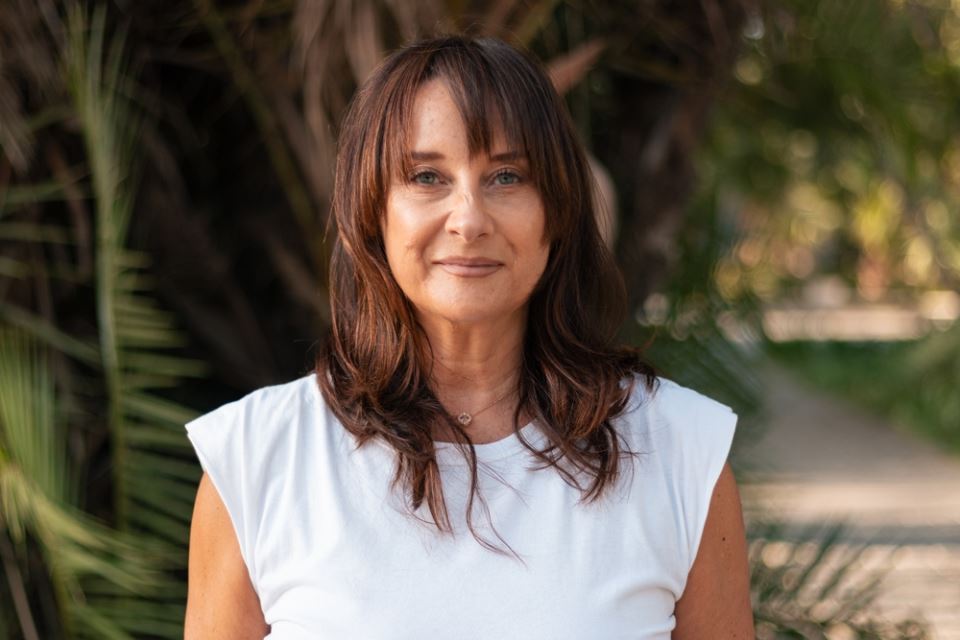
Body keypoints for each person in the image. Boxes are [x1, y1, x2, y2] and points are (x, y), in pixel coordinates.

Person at [184, 35, 754, 639]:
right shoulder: (255, 459)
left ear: (558, 209)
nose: (469, 219)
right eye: (427, 176)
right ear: (373, 211)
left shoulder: (680, 453)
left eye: (507, 176)